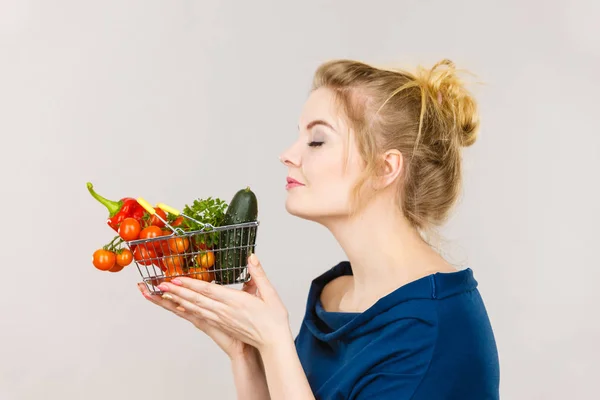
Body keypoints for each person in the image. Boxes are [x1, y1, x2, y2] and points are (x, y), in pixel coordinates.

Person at [137, 58, 500, 399]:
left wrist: (275, 340)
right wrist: (246, 352)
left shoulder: (431, 331)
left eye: (317, 140)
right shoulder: (335, 295)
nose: (288, 154)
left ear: (384, 169)